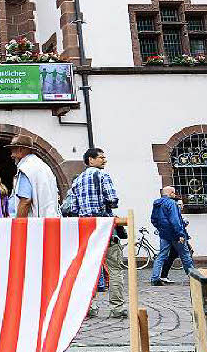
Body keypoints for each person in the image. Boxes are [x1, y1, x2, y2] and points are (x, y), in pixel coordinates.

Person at [62, 147, 127, 318]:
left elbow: (73, 208)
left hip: (86, 227)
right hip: (104, 225)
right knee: (115, 268)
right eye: (101, 158)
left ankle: (89, 306)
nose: (104, 160)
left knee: (88, 269)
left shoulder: (77, 181)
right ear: (91, 160)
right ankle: (117, 307)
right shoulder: (102, 175)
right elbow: (112, 200)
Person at [150, 186, 195, 285]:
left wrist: (161, 229)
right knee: (185, 255)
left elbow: (153, 220)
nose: (174, 195)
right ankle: (193, 277)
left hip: (164, 234)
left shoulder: (157, 204)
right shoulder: (171, 203)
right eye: (174, 193)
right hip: (175, 234)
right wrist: (180, 234)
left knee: (161, 255)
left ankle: (155, 278)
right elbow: (175, 220)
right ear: (171, 193)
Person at [8, 134, 61, 218]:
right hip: (48, 221)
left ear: (20, 149)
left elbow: (25, 201)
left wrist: (19, 226)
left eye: (12, 150)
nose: (11, 155)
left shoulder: (26, 168)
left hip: (34, 225)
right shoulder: (43, 166)